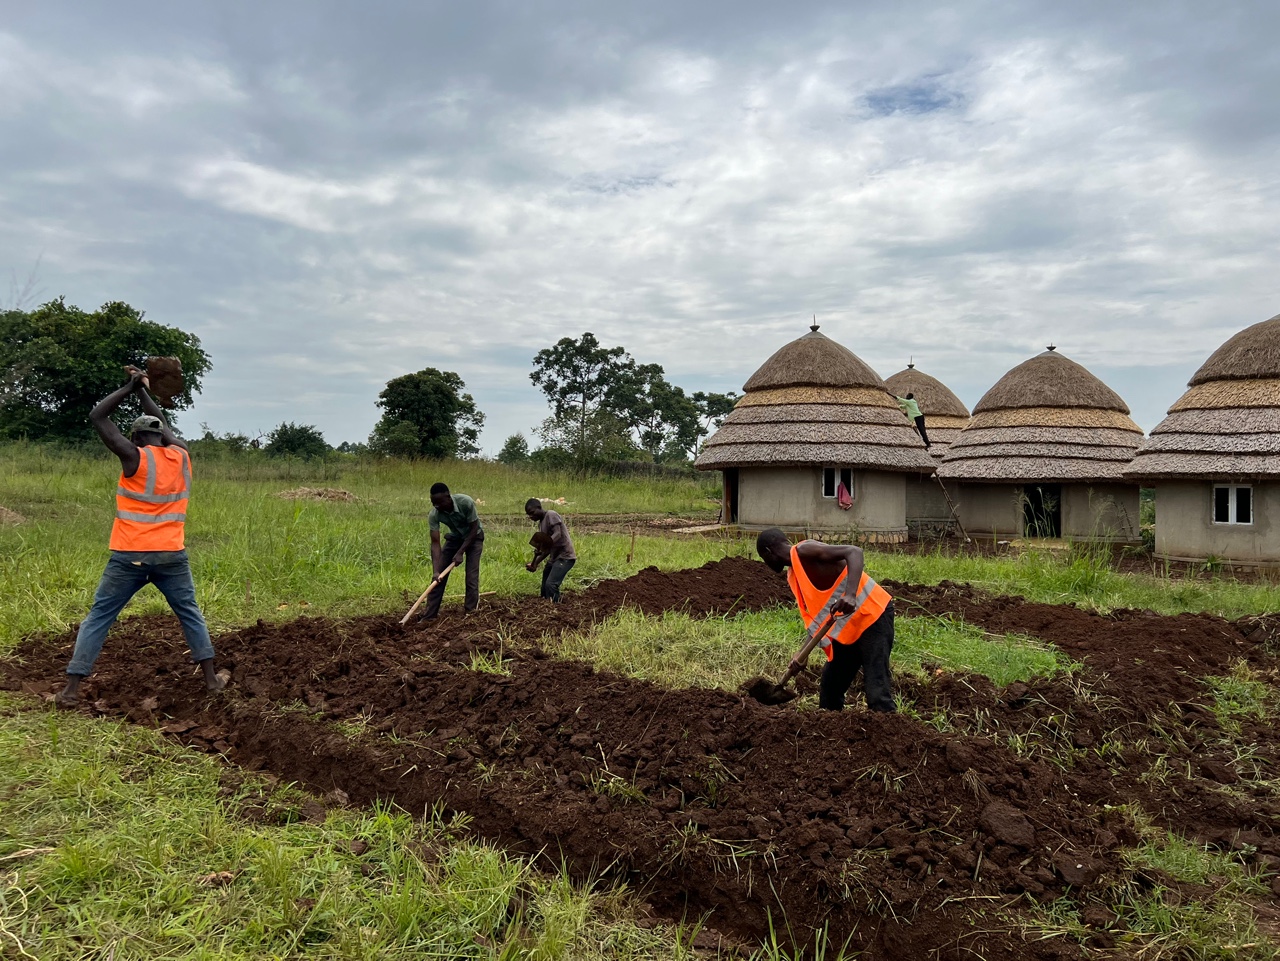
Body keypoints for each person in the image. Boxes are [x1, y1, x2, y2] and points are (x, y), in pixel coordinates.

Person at [54, 367, 229, 708]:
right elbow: (162, 421)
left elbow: (98, 416)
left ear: (134, 438)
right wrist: (143, 391)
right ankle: (211, 680)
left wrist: (129, 387)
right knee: (190, 613)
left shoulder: (133, 456)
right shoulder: (181, 455)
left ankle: (71, 691)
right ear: (163, 436)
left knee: (100, 617)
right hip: (171, 555)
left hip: (130, 556)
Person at [755, 528, 895, 712]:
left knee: (877, 691)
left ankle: (889, 727)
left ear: (768, 551)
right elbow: (819, 618)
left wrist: (850, 594)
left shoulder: (804, 550)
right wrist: (802, 654)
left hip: (873, 617)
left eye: (763, 559)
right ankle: (829, 727)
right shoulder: (795, 574)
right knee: (830, 689)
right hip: (847, 629)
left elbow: (854, 552)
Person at [422, 482, 484, 619]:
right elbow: (435, 543)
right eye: (433, 503)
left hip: (474, 537)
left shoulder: (465, 502)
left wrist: (460, 552)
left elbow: (474, 529)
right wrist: (436, 570)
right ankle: (429, 615)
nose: (436, 506)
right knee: (438, 578)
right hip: (455, 538)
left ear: (448, 496)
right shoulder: (434, 514)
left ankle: (470, 613)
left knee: (471, 577)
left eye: (439, 502)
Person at [524, 498, 576, 602]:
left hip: (565, 557)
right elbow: (547, 550)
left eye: (532, 513)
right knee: (544, 588)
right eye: (529, 515)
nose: (531, 516)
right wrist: (535, 563)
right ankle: (545, 605)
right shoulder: (541, 525)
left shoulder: (551, 515)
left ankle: (556, 607)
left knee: (551, 584)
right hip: (554, 558)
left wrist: (544, 545)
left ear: (539, 507)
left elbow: (557, 534)